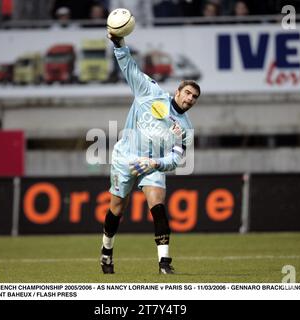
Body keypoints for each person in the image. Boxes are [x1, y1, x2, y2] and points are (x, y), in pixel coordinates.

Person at [99, 31, 201, 275]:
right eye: (187, 93)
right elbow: (129, 67)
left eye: (195, 97)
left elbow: (177, 159)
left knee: (158, 205)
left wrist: (154, 163)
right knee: (117, 208)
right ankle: (106, 251)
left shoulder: (185, 128)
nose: (190, 99)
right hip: (125, 157)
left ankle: (164, 263)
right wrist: (118, 43)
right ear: (177, 91)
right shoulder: (149, 92)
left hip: (152, 164)